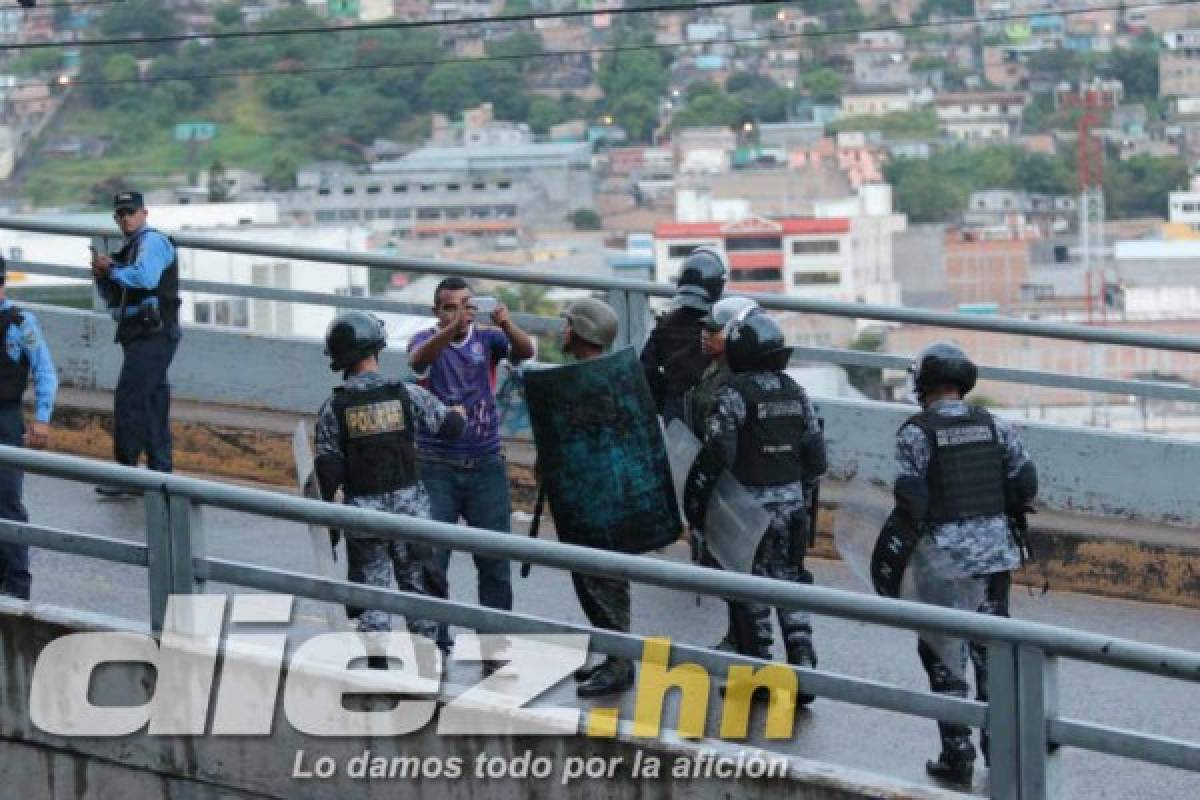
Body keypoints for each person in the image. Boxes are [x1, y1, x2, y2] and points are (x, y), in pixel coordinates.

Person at [872, 342, 1038, 787]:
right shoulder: (994, 425)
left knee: (945, 657)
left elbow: (911, 500)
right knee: (992, 656)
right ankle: (999, 755)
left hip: (943, 564)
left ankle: (956, 754)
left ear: (924, 382)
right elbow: (1025, 482)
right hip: (995, 561)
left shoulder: (916, 432)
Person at [686, 314, 826, 702]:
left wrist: (707, 507)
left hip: (748, 511)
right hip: (793, 508)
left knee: (750, 590)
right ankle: (804, 666)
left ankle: (759, 673)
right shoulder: (796, 392)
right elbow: (817, 459)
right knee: (791, 583)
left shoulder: (732, 394)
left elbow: (719, 457)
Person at [314, 311, 465, 644]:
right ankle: (429, 674)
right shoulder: (407, 394)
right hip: (412, 520)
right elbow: (450, 429)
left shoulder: (333, 408)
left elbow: (328, 473)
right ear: (375, 349)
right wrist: (459, 414)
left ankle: (377, 674)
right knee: (420, 598)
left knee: (372, 604)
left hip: (364, 519)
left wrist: (328, 525)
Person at [406, 277, 534, 651]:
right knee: (432, 562)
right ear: (437, 311)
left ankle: (494, 646)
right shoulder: (425, 340)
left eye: (466, 305)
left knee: (494, 562)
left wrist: (507, 323)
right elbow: (418, 362)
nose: (461, 313)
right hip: (435, 465)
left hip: (485, 463)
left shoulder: (489, 339)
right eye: (451, 306)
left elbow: (524, 352)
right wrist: (449, 331)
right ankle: (435, 644)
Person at [554, 297, 636, 697]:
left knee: (605, 583)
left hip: (601, 500)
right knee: (589, 584)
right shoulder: (583, 376)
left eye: (568, 324)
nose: (562, 331)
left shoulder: (597, 381)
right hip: (583, 497)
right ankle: (612, 655)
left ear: (582, 331)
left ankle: (620, 664)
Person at [91, 191, 181, 497]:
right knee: (153, 402)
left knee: (130, 400)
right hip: (139, 334)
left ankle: (128, 474)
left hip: (152, 335)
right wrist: (103, 276)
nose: (125, 218)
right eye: (120, 214)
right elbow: (113, 298)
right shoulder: (129, 250)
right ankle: (160, 475)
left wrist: (112, 270)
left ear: (144, 213)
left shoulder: (152, 243)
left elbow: (145, 279)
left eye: (130, 212)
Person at [682, 295, 758, 651]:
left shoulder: (742, 379)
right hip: (718, 480)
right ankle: (737, 636)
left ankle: (752, 648)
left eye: (714, 330)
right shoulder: (713, 372)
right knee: (725, 567)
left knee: (743, 570)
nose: (705, 334)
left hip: (740, 485)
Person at [0, 256, 57, 599]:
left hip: (5, 419)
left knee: (6, 501)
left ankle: (18, 587)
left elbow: (45, 371)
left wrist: (42, 419)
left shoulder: (20, 323)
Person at [641, 247, 727, 424]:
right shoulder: (720, 325)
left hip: (674, 407)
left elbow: (646, 369)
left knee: (678, 452)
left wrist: (666, 398)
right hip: (713, 407)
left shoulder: (665, 323)